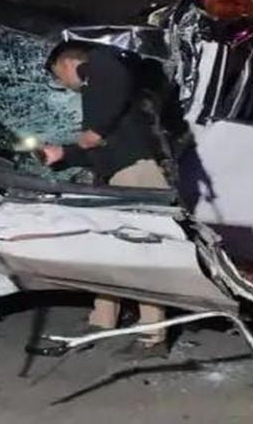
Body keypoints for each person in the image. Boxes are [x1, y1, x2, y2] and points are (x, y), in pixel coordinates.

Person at [41, 42, 171, 358]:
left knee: (142, 256)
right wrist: (63, 154)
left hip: (137, 174)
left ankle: (153, 336)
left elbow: (111, 70)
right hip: (117, 175)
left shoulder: (102, 66)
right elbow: (100, 152)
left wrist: (95, 131)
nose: (64, 85)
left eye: (59, 76)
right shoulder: (101, 96)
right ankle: (102, 320)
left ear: (67, 64)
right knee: (107, 252)